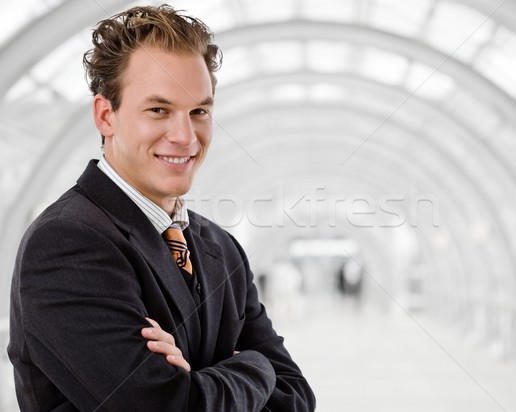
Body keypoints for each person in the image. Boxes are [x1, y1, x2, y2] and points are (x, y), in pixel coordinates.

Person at [7, 5, 315, 411]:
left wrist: (196, 380)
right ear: (106, 115)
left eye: (199, 111)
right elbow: (164, 406)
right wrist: (256, 367)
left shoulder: (221, 247)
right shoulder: (66, 243)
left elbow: (296, 399)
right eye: (159, 110)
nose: (186, 137)